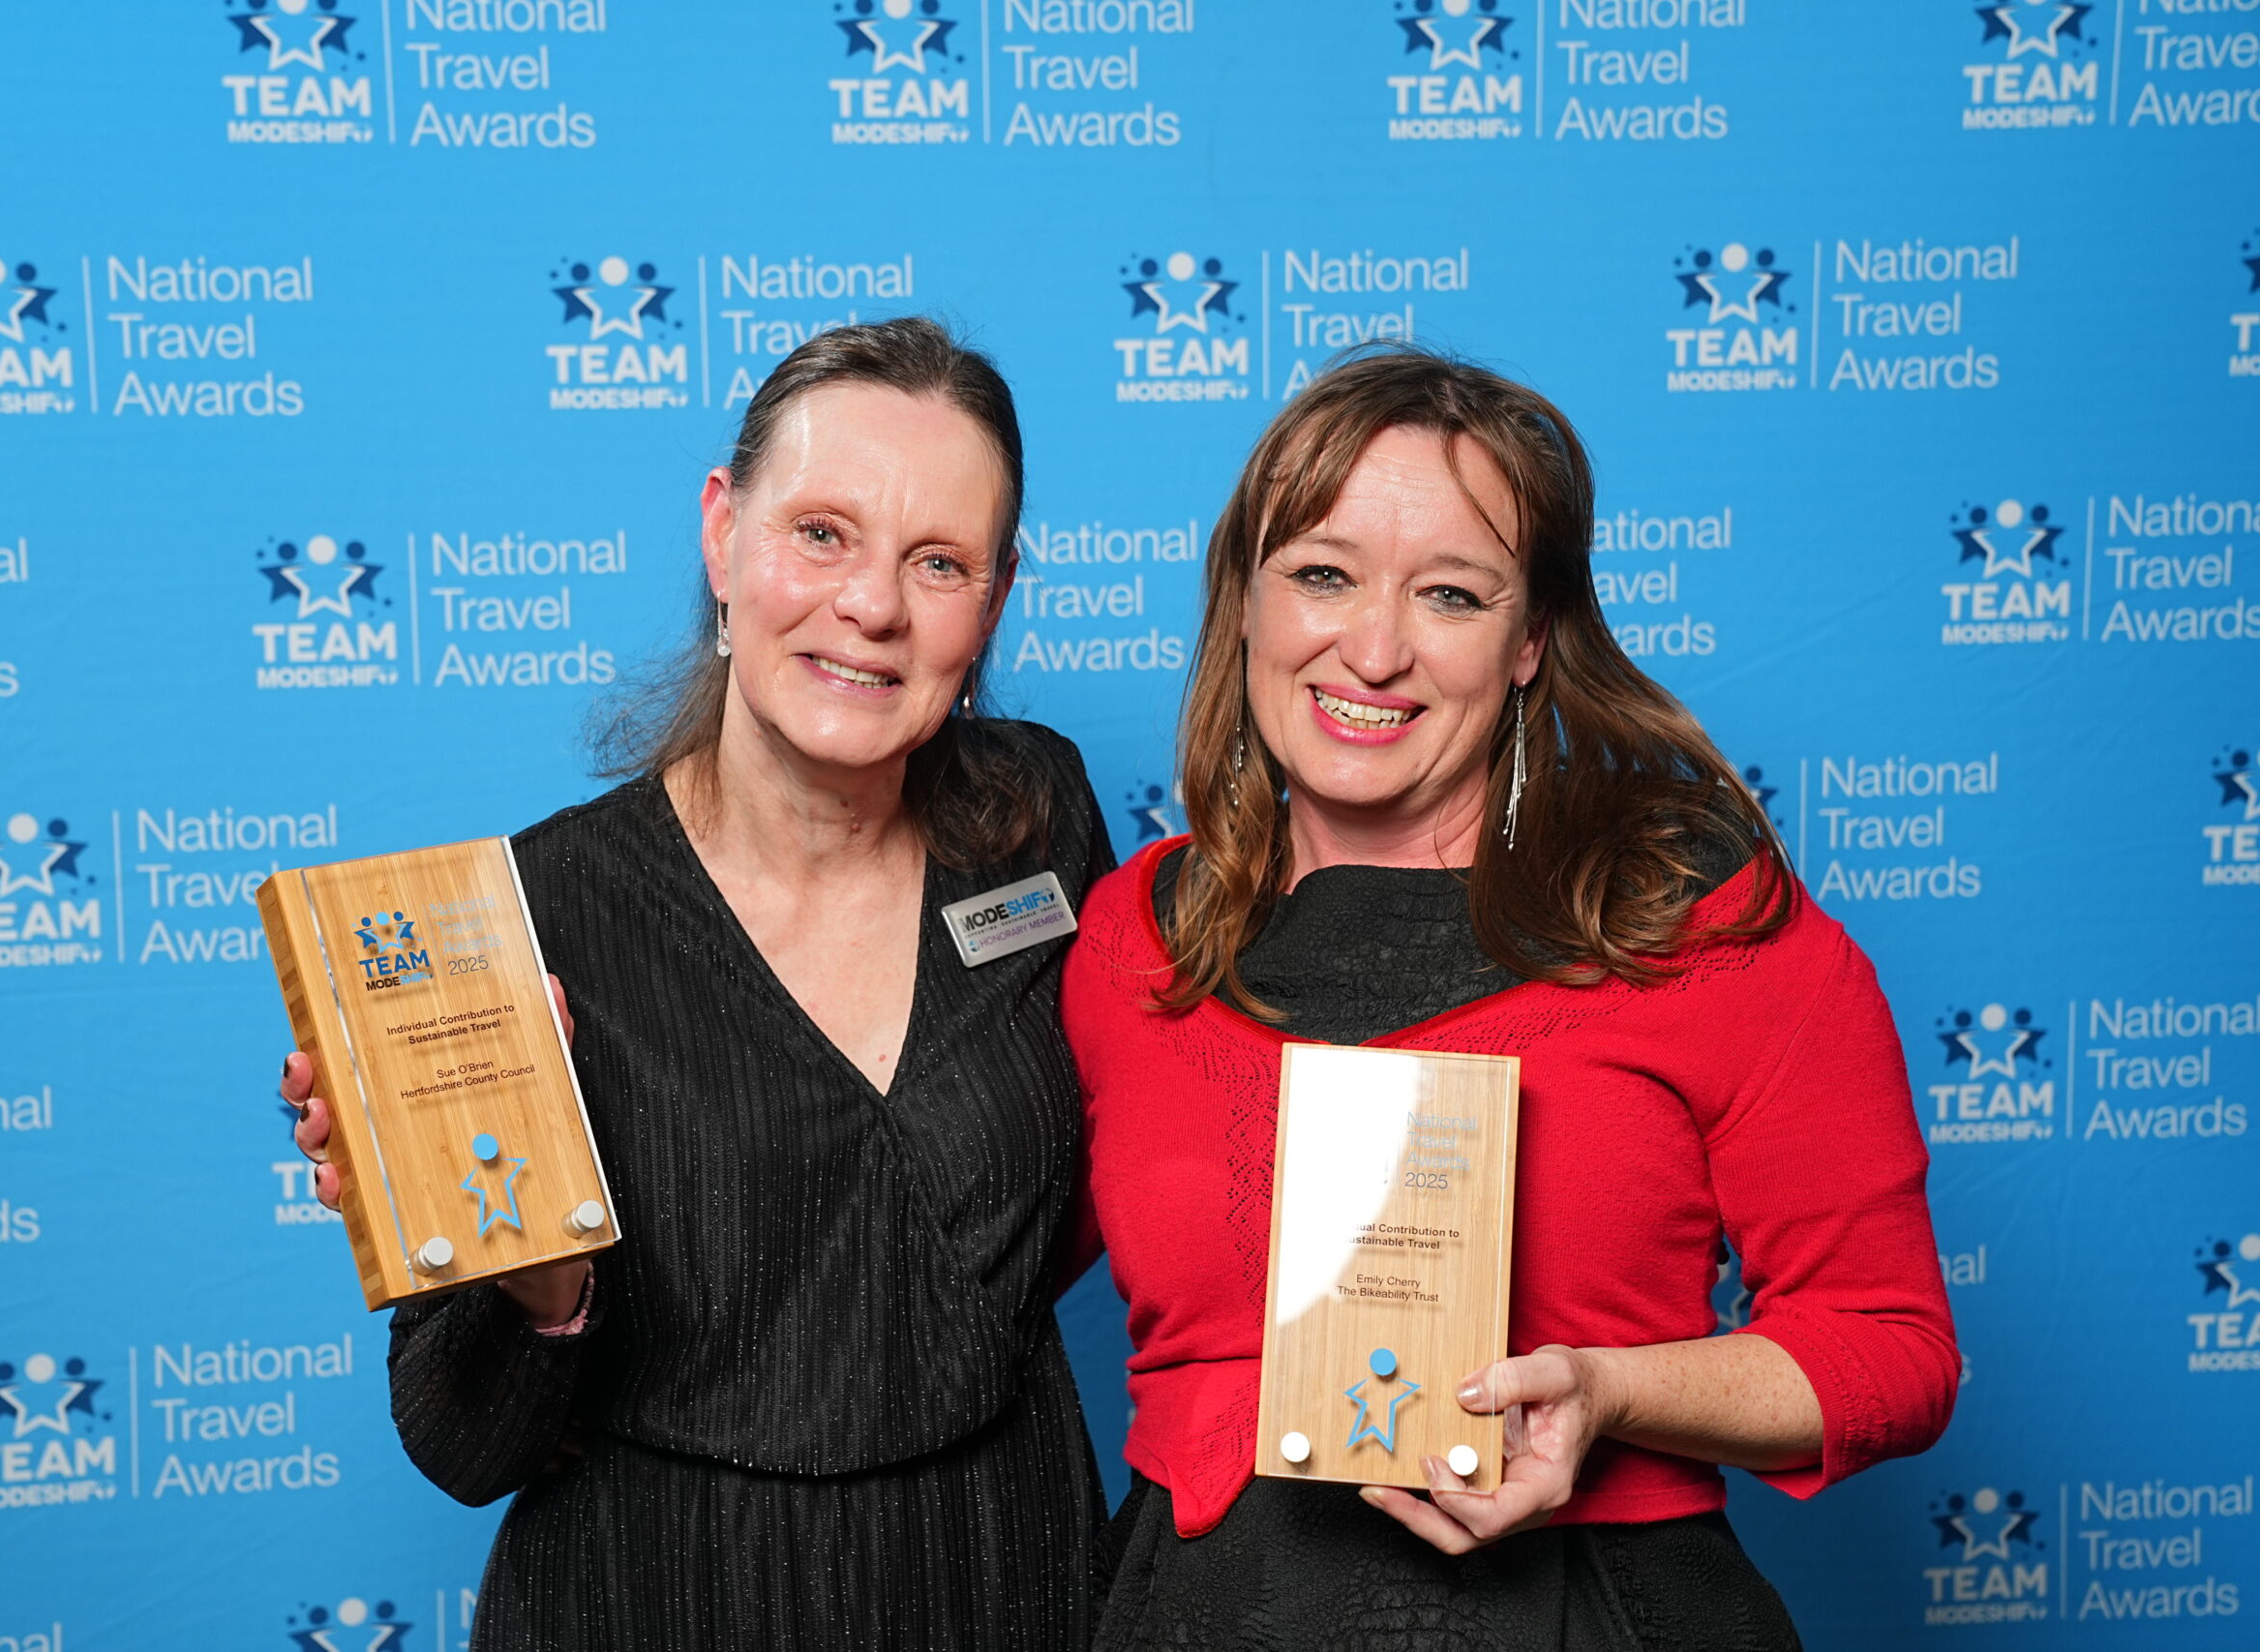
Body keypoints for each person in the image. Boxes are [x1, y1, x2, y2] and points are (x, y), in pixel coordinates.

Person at [1062, 346, 1959, 1648]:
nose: (1373, 650)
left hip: (1592, 1611)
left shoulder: (1697, 920)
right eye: (1321, 575)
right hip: (1206, 1610)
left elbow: (1892, 1347)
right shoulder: (1135, 939)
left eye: (1450, 595)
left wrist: (1607, 1393)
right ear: (1245, 605)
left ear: (1532, 637)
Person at [281, 319, 1114, 1650]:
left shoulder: (1042, 816)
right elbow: (460, 1445)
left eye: (939, 562)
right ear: (724, 535)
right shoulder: (524, 917)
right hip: (665, 1592)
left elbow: (1100, 1165)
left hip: (1001, 1576)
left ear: (997, 598)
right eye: (822, 533)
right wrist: (533, 1280)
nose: (873, 607)